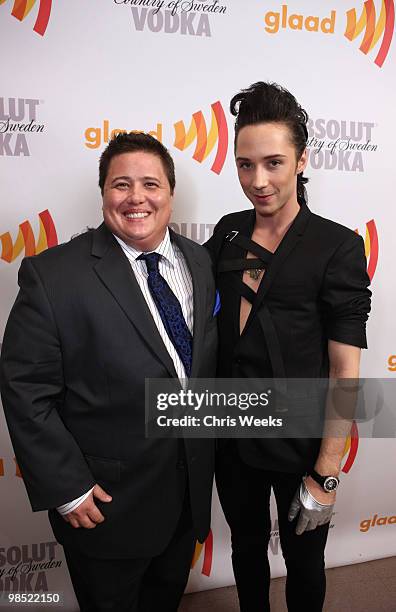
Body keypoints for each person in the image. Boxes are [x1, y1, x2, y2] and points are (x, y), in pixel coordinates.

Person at [0, 132, 218, 612]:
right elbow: (24, 389)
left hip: (185, 497)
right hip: (105, 507)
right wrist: (68, 488)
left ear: (170, 193)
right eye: (121, 184)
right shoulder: (53, 275)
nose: (137, 197)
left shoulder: (199, 261)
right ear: (103, 194)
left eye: (150, 184)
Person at [205, 82, 371, 611]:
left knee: (304, 564)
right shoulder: (229, 233)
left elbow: (345, 371)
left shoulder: (336, 245)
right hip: (231, 436)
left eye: (274, 163)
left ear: (302, 159)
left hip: (300, 441)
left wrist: (326, 473)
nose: (259, 180)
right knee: (246, 552)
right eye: (245, 165)